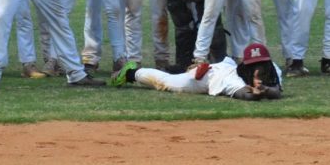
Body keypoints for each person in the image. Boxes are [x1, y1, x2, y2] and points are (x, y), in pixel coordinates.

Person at [111, 42, 283, 102]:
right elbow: (245, 96)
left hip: (225, 66)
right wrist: (258, 94)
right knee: (167, 83)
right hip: (209, 77)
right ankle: (130, 73)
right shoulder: (233, 81)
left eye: (261, 66)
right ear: (247, 69)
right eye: (254, 68)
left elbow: (277, 91)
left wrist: (266, 90)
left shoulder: (274, 69)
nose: (258, 72)